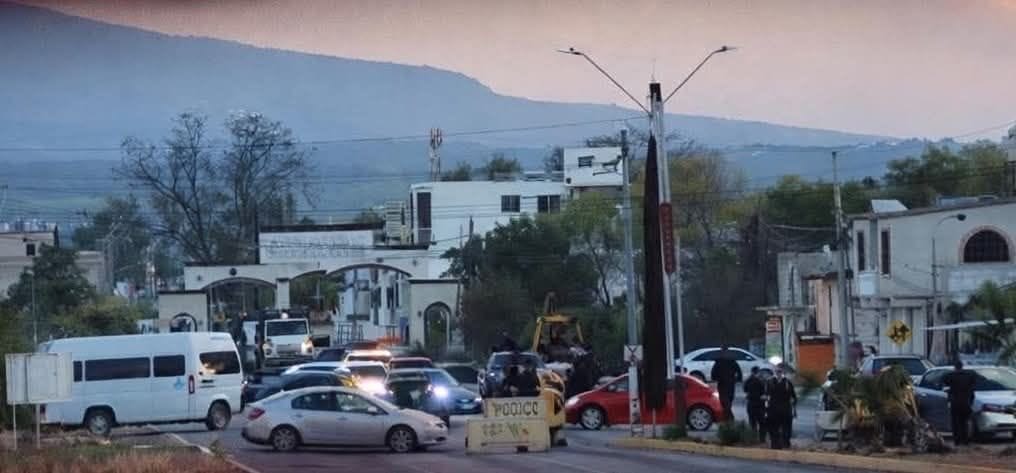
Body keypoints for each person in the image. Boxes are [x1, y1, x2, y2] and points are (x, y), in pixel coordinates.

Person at [943, 359, 977, 446]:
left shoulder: (950, 376)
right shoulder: (969, 376)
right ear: (962, 366)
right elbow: (972, 391)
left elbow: (945, 385)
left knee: (955, 422)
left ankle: (957, 441)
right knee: (964, 422)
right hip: (965, 402)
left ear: (955, 367)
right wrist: (970, 401)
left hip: (955, 402)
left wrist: (949, 399)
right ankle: (965, 440)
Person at [766, 366, 796, 449]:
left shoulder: (787, 382)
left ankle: (783, 443)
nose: (778, 373)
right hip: (776, 409)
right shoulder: (771, 382)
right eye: (777, 372)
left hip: (783, 409)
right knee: (775, 427)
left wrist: (793, 407)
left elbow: (793, 396)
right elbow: (767, 395)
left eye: (779, 372)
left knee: (784, 428)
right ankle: (776, 444)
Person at [710, 346, 739, 422]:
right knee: (727, 400)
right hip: (728, 383)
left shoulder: (720, 361)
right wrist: (736, 379)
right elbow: (738, 371)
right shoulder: (731, 361)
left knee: (725, 400)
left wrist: (716, 378)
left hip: (724, 383)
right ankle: (728, 417)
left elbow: (713, 373)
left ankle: (727, 417)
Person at [743, 366, 767, 443]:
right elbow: (764, 391)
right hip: (759, 404)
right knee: (762, 422)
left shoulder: (748, 380)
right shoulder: (761, 380)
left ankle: (753, 439)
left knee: (752, 423)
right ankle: (762, 439)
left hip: (751, 404)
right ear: (758, 372)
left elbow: (745, 389)